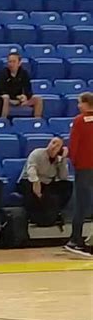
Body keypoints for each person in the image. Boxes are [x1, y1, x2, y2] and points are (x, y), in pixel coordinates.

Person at [18, 137, 72, 227]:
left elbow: (63, 177)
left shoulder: (58, 160)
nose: (54, 146)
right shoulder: (37, 153)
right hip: (30, 180)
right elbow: (31, 169)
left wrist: (63, 159)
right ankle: (35, 217)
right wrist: (36, 181)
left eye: (58, 146)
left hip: (46, 183)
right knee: (31, 190)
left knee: (67, 185)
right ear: (49, 144)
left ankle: (54, 214)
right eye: (53, 143)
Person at [65, 92, 93, 257]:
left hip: (83, 167)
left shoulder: (79, 120)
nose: (78, 106)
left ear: (86, 104)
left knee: (81, 204)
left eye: (80, 103)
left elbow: (73, 145)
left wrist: (73, 161)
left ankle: (75, 239)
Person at [0, 52, 43, 119]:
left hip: (20, 100)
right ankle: (3, 121)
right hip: (8, 100)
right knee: (5, 98)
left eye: (14, 62)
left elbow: (28, 90)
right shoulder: (3, 73)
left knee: (38, 99)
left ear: (19, 63)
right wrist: (12, 99)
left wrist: (25, 96)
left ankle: (36, 121)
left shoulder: (24, 73)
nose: (11, 64)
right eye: (10, 62)